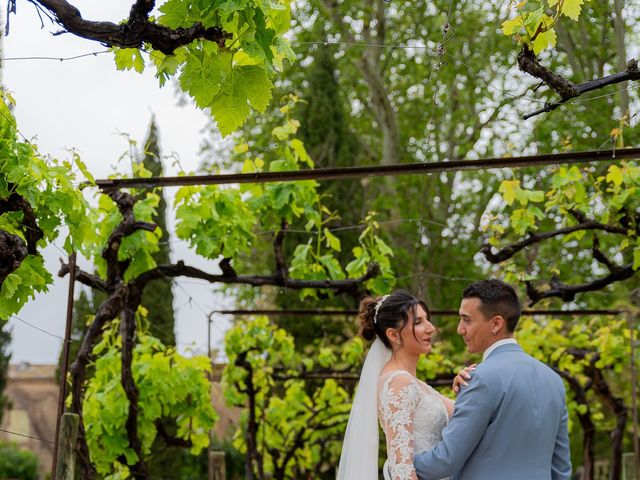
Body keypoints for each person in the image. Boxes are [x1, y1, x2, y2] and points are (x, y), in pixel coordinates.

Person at [414, 279, 572, 480]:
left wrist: (398, 466)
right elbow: (561, 469)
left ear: (496, 324)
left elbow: (445, 461)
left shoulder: (479, 378)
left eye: (467, 320)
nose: (460, 329)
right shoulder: (554, 380)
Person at [337, 289, 464, 480]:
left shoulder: (414, 383)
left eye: (427, 319)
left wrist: (463, 386)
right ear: (394, 335)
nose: (431, 328)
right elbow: (402, 470)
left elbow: (463, 414)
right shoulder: (399, 383)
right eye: (419, 322)